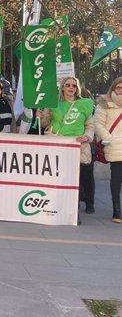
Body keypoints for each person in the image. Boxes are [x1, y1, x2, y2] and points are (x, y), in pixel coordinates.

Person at [39, 77, 95, 220]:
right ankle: (56, 208)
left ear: (77, 88)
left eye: (74, 86)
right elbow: (45, 123)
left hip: (77, 146)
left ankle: (74, 212)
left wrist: (87, 137)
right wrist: (41, 116)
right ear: (62, 87)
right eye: (68, 85)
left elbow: (90, 125)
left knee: (74, 180)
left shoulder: (85, 104)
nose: (71, 88)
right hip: (57, 145)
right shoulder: (53, 104)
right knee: (58, 178)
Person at [94, 77, 122, 223]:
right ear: (113, 88)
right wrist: (108, 138)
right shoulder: (105, 104)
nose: (121, 91)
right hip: (115, 146)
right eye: (119, 88)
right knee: (116, 179)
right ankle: (117, 210)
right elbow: (97, 124)